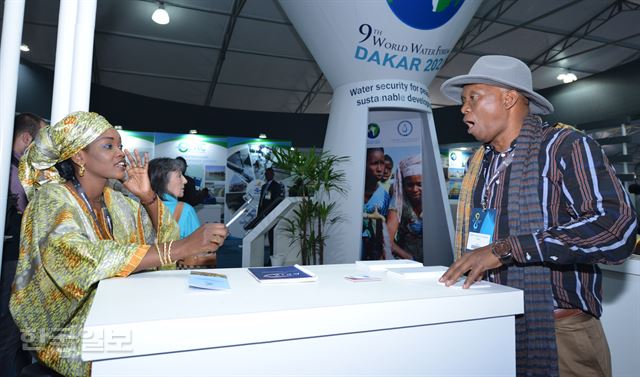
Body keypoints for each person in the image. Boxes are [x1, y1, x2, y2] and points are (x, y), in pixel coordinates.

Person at [438, 55, 638, 377]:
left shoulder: (566, 147)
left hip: (561, 336)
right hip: (494, 325)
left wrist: (507, 249)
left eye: (473, 97)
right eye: (463, 101)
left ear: (509, 98)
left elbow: (615, 228)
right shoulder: (481, 163)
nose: (464, 109)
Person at [10, 112, 228, 376]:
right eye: (108, 146)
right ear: (79, 155)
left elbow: (164, 244)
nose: (120, 153)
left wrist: (148, 197)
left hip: (117, 318)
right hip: (69, 336)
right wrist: (181, 248)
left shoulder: (118, 202)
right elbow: (77, 258)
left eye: (120, 146)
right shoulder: (52, 198)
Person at [1, 113, 46, 377]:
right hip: (12, 259)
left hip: (16, 258)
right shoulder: (13, 173)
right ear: (27, 138)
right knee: (8, 331)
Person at [149, 157, 216, 268]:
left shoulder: (138, 208)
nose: (185, 181)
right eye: (179, 176)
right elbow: (200, 248)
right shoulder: (185, 210)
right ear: (163, 180)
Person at [386, 154, 423, 262]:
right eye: (410, 185)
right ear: (403, 184)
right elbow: (387, 240)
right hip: (406, 260)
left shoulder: (433, 201)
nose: (415, 189)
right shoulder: (399, 201)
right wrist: (410, 258)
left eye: (419, 184)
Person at [362, 147, 390, 260]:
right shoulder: (352, 193)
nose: (380, 169)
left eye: (382, 163)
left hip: (373, 255)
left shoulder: (384, 196)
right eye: (374, 163)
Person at [257, 167, 284, 256]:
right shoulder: (264, 186)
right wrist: (259, 214)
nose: (267, 175)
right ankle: (259, 256)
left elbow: (275, 201)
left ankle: (271, 258)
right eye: (266, 174)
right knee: (261, 236)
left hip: (271, 215)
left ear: (272, 175)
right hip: (262, 214)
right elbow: (261, 201)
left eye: (269, 174)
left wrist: (269, 213)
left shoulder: (277, 186)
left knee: (272, 237)